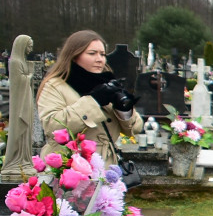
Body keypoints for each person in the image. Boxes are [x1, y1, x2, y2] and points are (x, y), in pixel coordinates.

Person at [37, 30, 142, 170]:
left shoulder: (107, 83)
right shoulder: (56, 86)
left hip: (106, 167)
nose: (100, 59)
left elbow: (135, 129)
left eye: (102, 54)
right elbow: (52, 127)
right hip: (70, 169)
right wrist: (94, 101)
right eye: (92, 53)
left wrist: (123, 109)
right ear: (74, 56)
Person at [1, 35, 36, 179]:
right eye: (29, 46)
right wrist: (30, 74)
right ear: (22, 45)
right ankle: (14, 161)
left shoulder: (21, 61)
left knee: (26, 131)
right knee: (19, 128)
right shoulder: (15, 62)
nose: (31, 49)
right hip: (19, 103)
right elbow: (18, 81)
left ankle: (24, 160)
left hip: (25, 99)